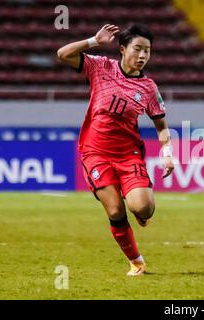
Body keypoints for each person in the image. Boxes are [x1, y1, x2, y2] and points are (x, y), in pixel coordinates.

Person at [57, 24, 174, 276]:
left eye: (148, 51)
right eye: (138, 49)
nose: (143, 56)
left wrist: (167, 154)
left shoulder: (149, 88)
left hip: (127, 153)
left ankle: (140, 209)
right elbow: (63, 54)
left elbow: (161, 125)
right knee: (114, 210)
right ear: (122, 49)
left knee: (143, 208)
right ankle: (136, 261)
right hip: (95, 151)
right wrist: (93, 41)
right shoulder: (101, 67)